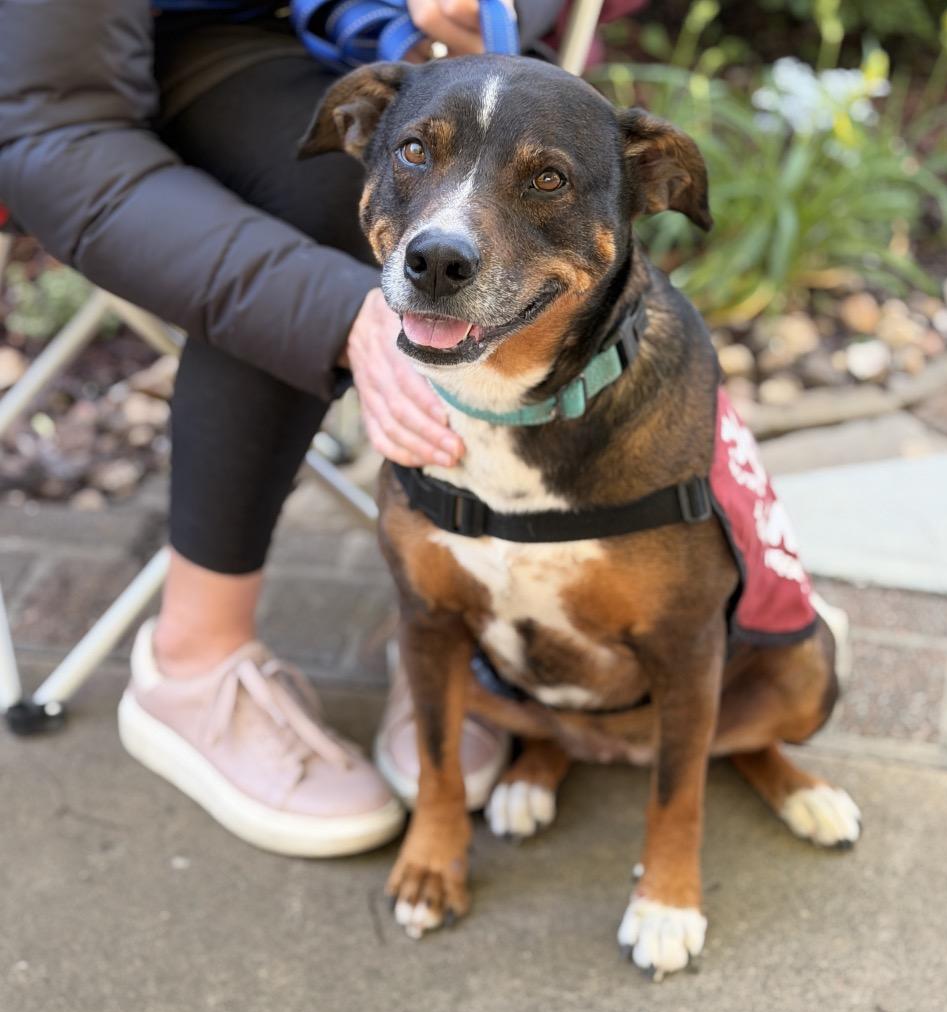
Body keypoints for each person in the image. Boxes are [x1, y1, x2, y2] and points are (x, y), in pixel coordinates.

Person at [0, 0, 567, 856]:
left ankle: (442, 617)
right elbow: (52, 128)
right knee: (340, 219)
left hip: (274, 33)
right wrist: (341, 312)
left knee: (393, 179)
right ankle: (191, 665)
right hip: (67, 84)